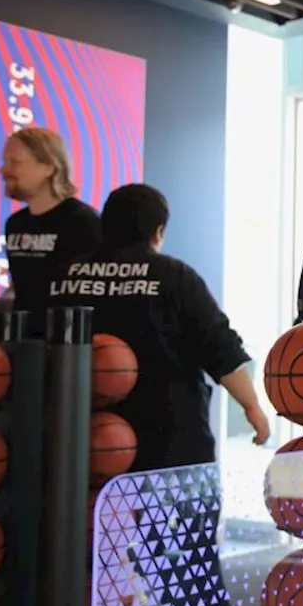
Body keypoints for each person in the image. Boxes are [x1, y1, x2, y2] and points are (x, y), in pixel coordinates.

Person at [49, 183, 271, 469]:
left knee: (92, 515)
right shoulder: (175, 276)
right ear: (157, 232)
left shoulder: (63, 277)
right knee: (173, 514)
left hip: (82, 445)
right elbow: (220, 347)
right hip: (169, 442)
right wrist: (251, 406)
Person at [0, 127, 101, 333]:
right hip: (18, 342)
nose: (3, 170)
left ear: (49, 167)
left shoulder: (83, 222)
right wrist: (2, 307)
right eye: (5, 161)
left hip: (66, 348)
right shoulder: (15, 223)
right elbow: (24, 287)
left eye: (15, 162)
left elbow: (92, 295)